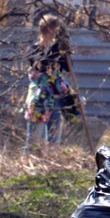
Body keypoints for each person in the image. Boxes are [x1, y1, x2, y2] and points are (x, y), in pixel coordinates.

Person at [23, 14, 73, 152]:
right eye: (55, 29)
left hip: (55, 96)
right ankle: (28, 159)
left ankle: (50, 159)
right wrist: (56, 49)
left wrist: (66, 52)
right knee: (33, 136)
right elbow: (41, 64)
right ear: (48, 29)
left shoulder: (59, 50)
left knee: (53, 135)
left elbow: (68, 68)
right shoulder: (34, 49)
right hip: (38, 97)